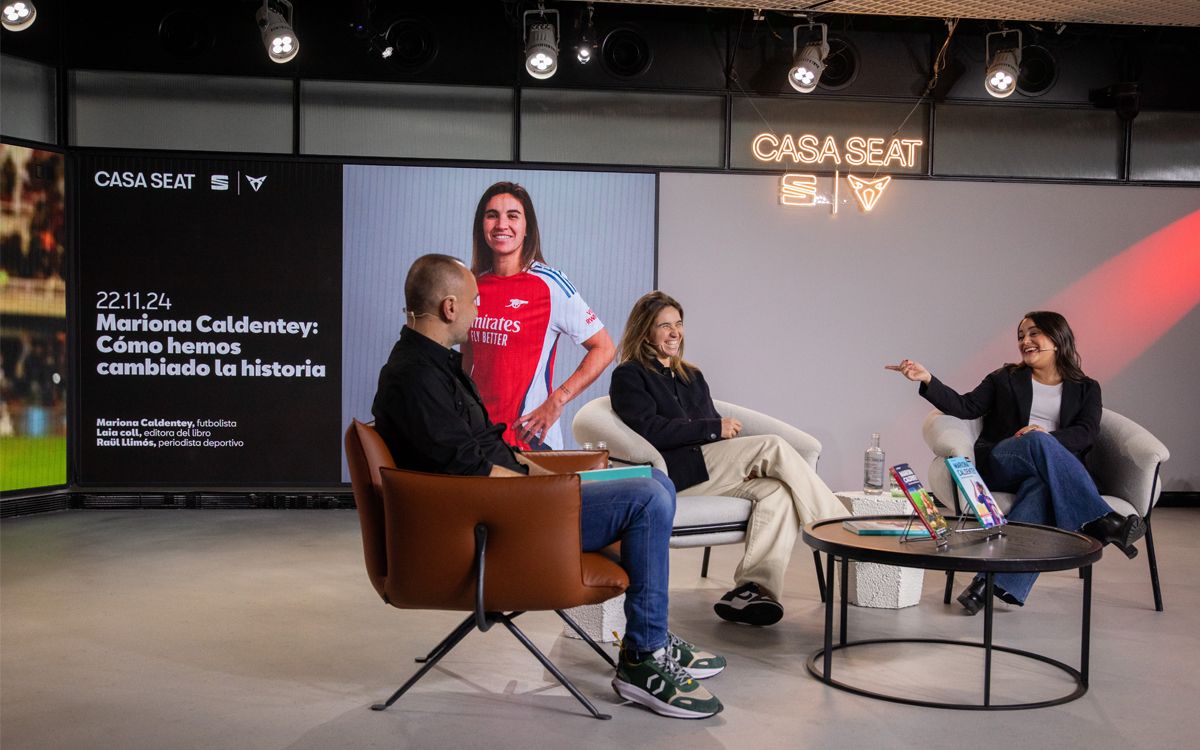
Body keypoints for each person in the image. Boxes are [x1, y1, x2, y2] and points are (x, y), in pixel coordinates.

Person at [371, 255, 725, 719]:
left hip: (514, 505)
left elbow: (490, 451)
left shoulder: (438, 364)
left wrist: (554, 479)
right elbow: (469, 476)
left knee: (650, 479)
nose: (482, 314)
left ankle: (651, 633)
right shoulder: (413, 377)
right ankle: (643, 657)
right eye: (477, 304)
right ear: (450, 308)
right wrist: (549, 494)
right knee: (647, 498)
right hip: (495, 526)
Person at [609, 291, 845, 627]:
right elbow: (651, 431)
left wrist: (737, 461)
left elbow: (716, 436)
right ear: (645, 331)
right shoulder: (630, 375)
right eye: (664, 326)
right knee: (772, 447)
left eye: (678, 324)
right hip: (673, 475)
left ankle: (753, 589)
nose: (675, 332)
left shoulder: (691, 376)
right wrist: (712, 428)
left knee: (776, 493)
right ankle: (838, 528)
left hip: (710, 472)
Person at [886, 310, 1146, 614]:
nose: (1025, 341)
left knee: (1040, 489)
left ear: (1057, 338)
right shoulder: (1005, 378)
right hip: (1004, 461)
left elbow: (1086, 434)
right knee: (1036, 440)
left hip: (1045, 473)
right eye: (1021, 336)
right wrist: (927, 379)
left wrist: (1047, 437)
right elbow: (966, 406)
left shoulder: (1087, 388)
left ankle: (986, 585)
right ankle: (1105, 521)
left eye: (1034, 333)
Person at [461, 181, 615, 450]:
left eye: (512, 216)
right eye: (492, 215)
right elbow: (467, 363)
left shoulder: (550, 283)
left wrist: (557, 401)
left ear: (526, 228)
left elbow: (603, 347)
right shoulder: (472, 285)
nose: (501, 224)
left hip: (528, 441)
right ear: (481, 225)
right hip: (480, 439)